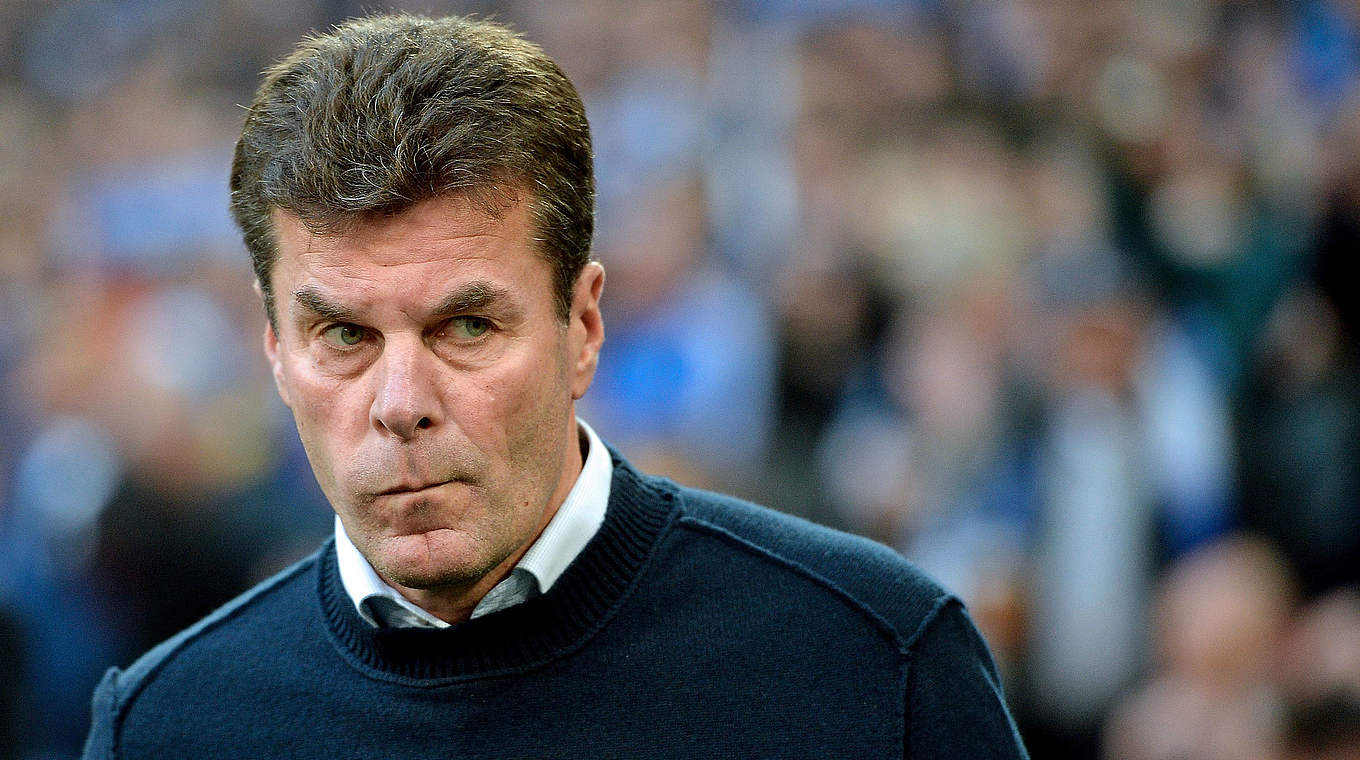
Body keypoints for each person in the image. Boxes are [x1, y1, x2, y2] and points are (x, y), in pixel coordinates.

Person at [82, 13, 1028, 759]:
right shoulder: (166, 725)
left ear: (583, 328)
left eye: (466, 326)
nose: (400, 402)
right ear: (274, 351)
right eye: (344, 335)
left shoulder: (874, 660)